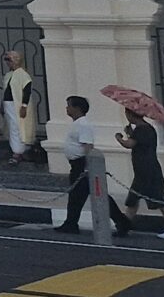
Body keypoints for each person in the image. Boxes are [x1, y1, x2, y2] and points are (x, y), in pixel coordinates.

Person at [56, 96, 131, 236]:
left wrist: (88, 166)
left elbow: (88, 146)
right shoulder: (77, 124)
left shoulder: (83, 125)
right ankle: (71, 223)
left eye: (69, 105)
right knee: (78, 196)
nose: (67, 108)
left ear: (77, 108)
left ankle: (122, 221)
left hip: (82, 164)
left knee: (95, 195)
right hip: (77, 164)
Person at [119, 110, 164, 217]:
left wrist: (119, 138)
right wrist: (130, 133)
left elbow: (129, 144)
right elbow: (140, 143)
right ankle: (125, 223)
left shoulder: (141, 129)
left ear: (130, 115)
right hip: (147, 169)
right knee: (134, 200)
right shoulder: (148, 128)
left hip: (145, 171)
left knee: (158, 200)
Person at [1, 50, 42, 163]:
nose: (7, 62)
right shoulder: (9, 75)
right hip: (9, 104)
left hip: (18, 105)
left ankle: (18, 151)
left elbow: (27, 91)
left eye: (9, 60)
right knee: (12, 126)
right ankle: (16, 148)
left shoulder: (23, 75)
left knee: (18, 127)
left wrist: (24, 105)